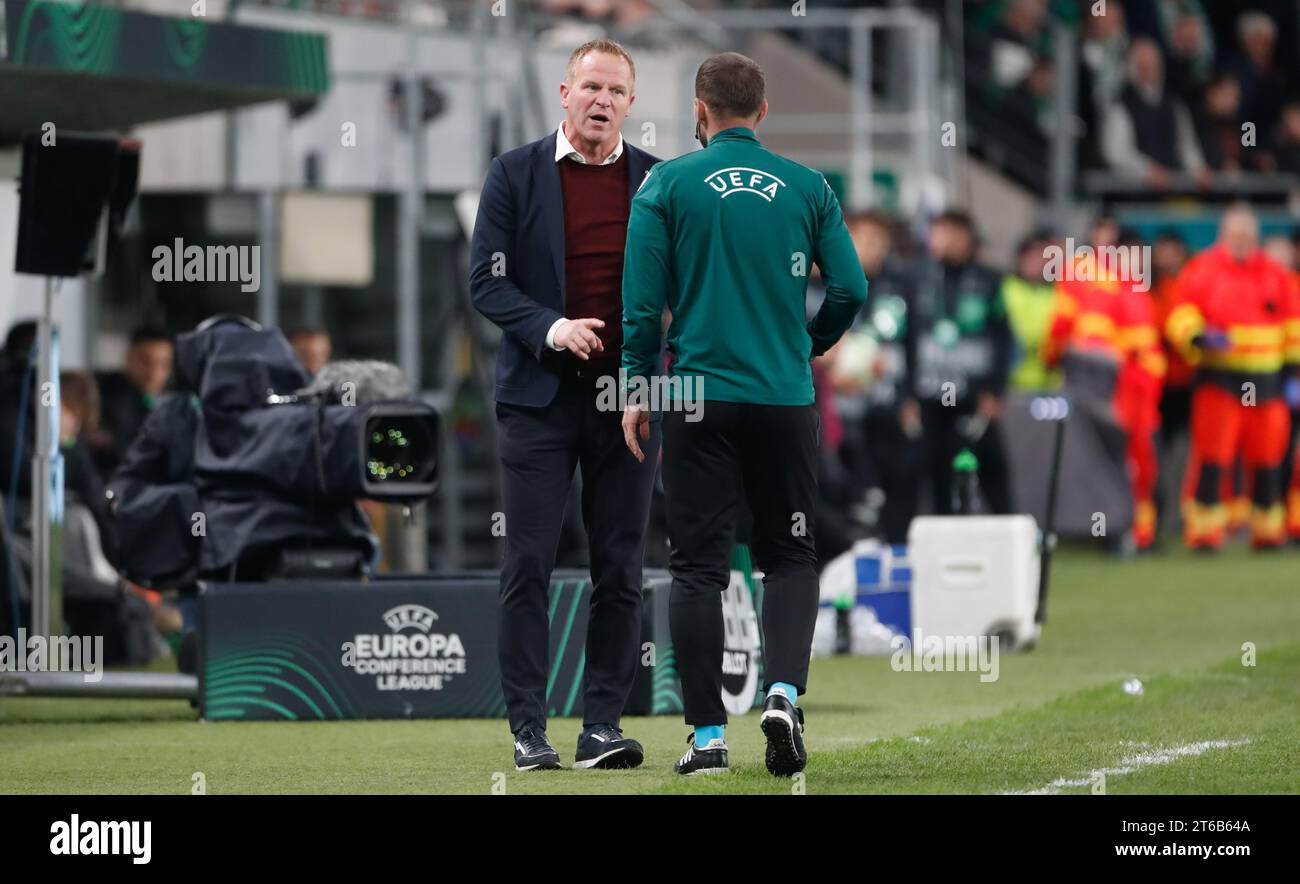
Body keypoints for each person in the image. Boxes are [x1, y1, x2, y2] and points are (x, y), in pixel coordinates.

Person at [620, 52, 866, 777]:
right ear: (762, 113)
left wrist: (636, 386)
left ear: (699, 110)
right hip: (784, 398)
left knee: (697, 569)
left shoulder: (664, 183)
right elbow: (848, 287)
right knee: (789, 555)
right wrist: (807, 345)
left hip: (696, 397)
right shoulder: (808, 186)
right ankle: (784, 693)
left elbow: (640, 309)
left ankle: (706, 740)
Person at [469, 39, 661, 772]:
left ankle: (602, 727)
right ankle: (529, 730)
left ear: (631, 103)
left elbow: (678, 287)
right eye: (590, 87)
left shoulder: (657, 181)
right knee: (528, 563)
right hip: (538, 399)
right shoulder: (514, 174)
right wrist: (553, 328)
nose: (601, 100)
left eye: (615, 90)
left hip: (627, 399)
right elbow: (486, 282)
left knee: (620, 567)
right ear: (563, 93)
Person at [1166, 204, 1300, 550]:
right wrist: (1195, 335)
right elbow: (1181, 312)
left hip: (1267, 382)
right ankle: (1205, 530)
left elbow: (1293, 326)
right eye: (1235, 235)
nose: (1241, 242)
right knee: (1214, 455)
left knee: (1268, 456)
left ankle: (1267, 529)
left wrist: (1294, 372)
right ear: (1223, 236)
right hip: (1220, 378)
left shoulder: (1274, 274)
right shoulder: (1202, 269)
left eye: (1247, 236)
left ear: (1256, 237)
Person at [907, 210, 1013, 516]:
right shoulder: (917, 279)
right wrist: (907, 395)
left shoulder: (989, 280)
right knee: (938, 473)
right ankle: (944, 540)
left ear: (967, 238)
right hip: (930, 395)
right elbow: (908, 339)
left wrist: (996, 390)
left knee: (992, 468)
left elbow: (1003, 338)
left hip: (974, 397)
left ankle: (1012, 537)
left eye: (950, 233)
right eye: (937, 232)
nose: (942, 240)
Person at [90, 326, 172, 481]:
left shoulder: (167, 408)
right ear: (129, 357)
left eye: (163, 365)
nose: (154, 373)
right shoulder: (104, 394)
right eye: (145, 361)